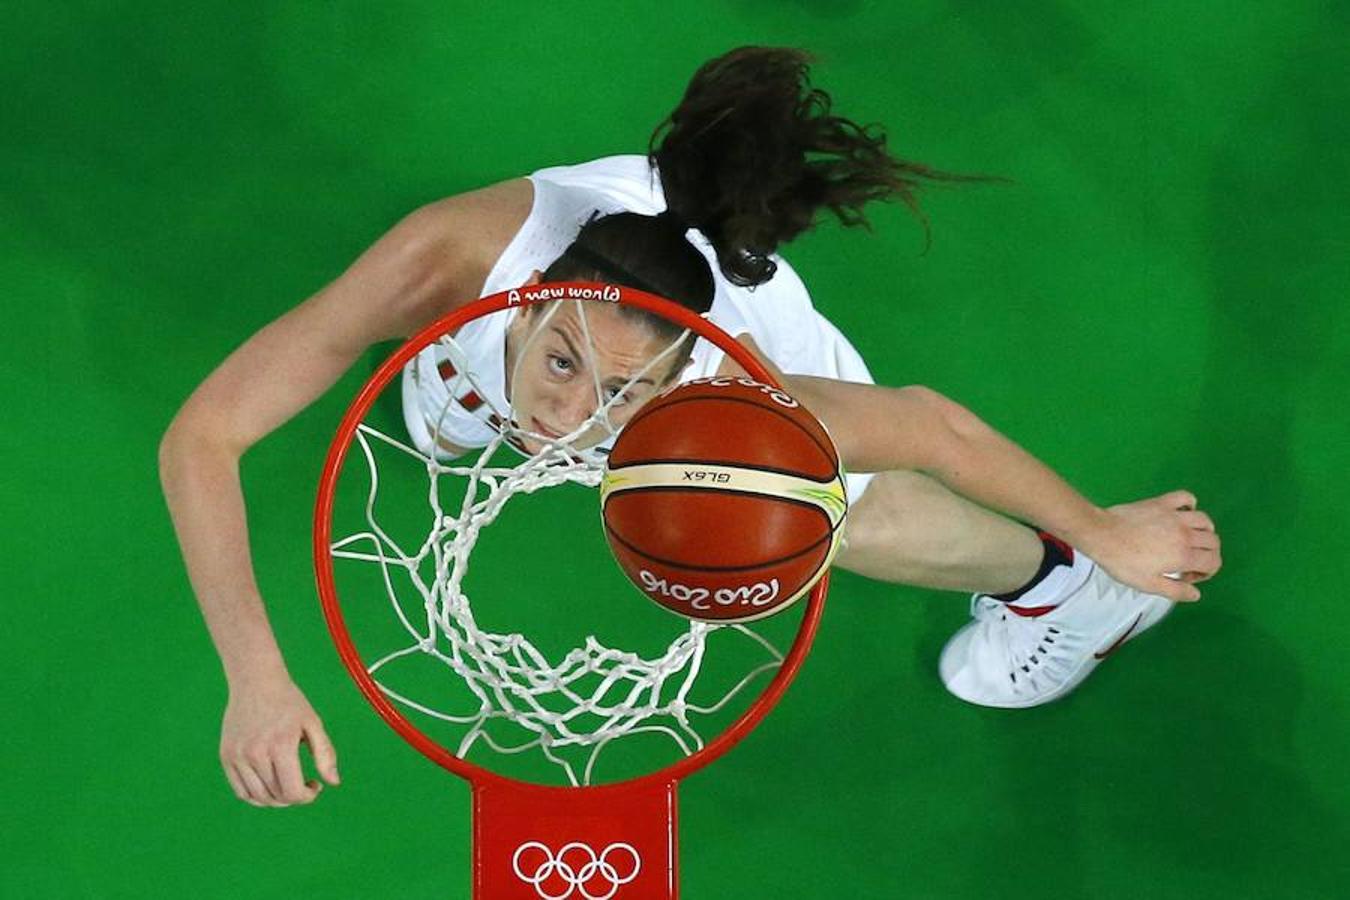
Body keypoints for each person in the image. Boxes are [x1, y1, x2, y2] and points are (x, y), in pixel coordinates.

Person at [160, 47, 1221, 808]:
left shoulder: (740, 388)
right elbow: (202, 437)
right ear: (524, 304)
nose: (571, 417)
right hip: (581, 290)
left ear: (680, 376)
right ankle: (511, 385)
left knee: (838, 518)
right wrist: (254, 675)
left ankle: (1064, 591)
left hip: (729, 361)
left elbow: (932, 429)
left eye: (620, 396)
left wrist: (1102, 530)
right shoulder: (442, 261)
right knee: (455, 416)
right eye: (563, 362)